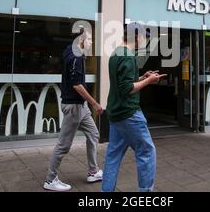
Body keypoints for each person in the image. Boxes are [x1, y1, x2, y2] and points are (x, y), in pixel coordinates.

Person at [101, 22, 166, 192]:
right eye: (144, 37)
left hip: (115, 113)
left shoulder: (116, 53)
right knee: (147, 153)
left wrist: (142, 76)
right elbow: (127, 89)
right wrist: (149, 81)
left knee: (113, 155)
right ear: (136, 37)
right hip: (129, 114)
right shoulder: (128, 56)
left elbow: (124, 82)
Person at [44, 30, 104, 192]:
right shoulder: (76, 57)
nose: (91, 43)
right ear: (81, 40)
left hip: (79, 106)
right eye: (89, 39)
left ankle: (93, 171)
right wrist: (95, 103)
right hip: (74, 106)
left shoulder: (69, 51)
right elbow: (77, 85)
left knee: (93, 134)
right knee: (63, 145)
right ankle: (50, 180)